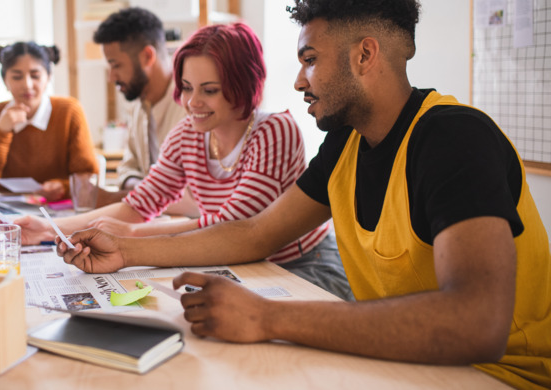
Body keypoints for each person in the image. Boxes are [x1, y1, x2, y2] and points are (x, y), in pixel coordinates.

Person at [54, 0, 551, 389]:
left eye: (310, 60)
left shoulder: (453, 137)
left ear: (364, 55)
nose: (297, 81)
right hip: (411, 363)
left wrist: (268, 318)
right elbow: (254, 233)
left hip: (500, 375)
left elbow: (477, 324)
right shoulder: (347, 142)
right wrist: (127, 250)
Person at [18, 22, 352, 300]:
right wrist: (49, 228)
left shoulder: (275, 129)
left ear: (243, 84)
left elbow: (235, 223)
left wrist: (135, 234)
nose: (192, 102)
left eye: (209, 90)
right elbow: (139, 203)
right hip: (241, 263)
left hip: (304, 263)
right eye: (188, 87)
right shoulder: (187, 133)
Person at [91, 8, 193, 214]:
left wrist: (137, 194)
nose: (111, 77)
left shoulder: (193, 107)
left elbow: (194, 199)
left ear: (147, 56)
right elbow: (128, 166)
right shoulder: (139, 105)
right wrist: (136, 185)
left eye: (116, 65)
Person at [0, 41, 98, 202]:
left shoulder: (69, 111)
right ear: (5, 81)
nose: (27, 85)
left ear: (48, 78)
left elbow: (87, 179)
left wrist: (63, 187)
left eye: (35, 76)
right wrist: (0, 132)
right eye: (17, 77)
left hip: (57, 214)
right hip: (5, 217)